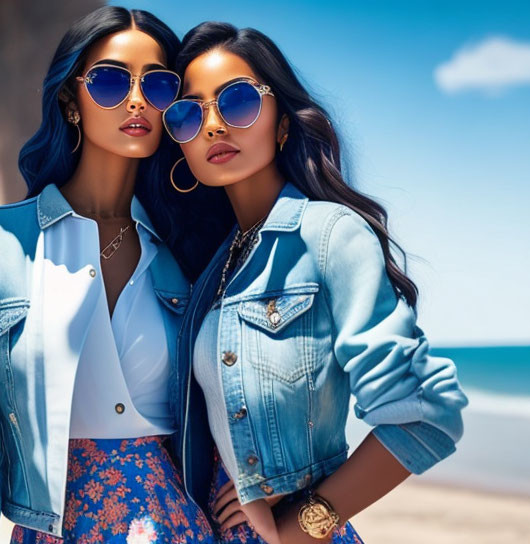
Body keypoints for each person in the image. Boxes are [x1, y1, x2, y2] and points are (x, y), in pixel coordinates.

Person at [162, 22, 470, 543]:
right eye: (189, 113)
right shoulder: (215, 265)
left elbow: (428, 414)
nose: (212, 125)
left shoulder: (329, 235)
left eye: (235, 101)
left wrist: (304, 523)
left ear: (282, 123)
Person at [0, 7, 217, 543]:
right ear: (70, 101)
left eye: (158, 85)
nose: (137, 99)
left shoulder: (189, 251)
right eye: (111, 80)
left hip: (179, 528)